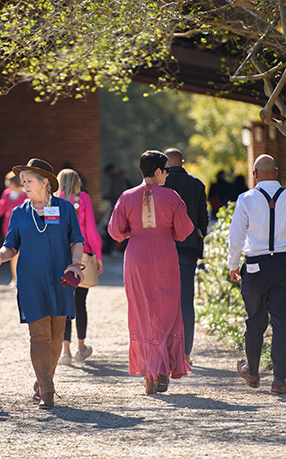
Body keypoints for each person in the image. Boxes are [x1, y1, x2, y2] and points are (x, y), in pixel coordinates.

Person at [0, 158, 84, 409]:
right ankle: (48, 391)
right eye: (23, 181)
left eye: (29, 181)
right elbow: (11, 245)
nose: (25, 185)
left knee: (56, 337)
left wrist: (75, 263)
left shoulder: (65, 209)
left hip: (61, 281)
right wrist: (0, 255)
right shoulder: (19, 212)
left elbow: (76, 240)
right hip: (31, 281)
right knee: (38, 336)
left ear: (45, 183)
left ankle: (41, 382)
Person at [108, 151, 194, 395]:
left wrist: (133, 232)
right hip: (164, 254)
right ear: (157, 171)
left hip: (136, 256)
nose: (167, 174)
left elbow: (115, 231)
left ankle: (148, 373)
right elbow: (183, 231)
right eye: (165, 170)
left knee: (141, 310)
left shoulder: (126, 196)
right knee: (168, 309)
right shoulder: (171, 196)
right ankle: (163, 368)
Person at [228, 154, 286, 395]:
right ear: (276, 172)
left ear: (255, 175)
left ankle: (253, 373)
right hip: (285, 265)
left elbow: (236, 237)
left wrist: (233, 264)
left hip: (255, 266)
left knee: (255, 320)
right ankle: (279, 380)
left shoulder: (246, 199)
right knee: (282, 322)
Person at [163, 148, 209, 366]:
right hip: (188, 248)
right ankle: (186, 352)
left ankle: (165, 351)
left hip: (163, 249)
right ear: (182, 162)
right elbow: (203, 218)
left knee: (164, 300)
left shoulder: (160, 184)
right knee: (185, 301)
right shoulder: (197, 185)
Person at [55, 169, 104, 366]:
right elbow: (91, 229)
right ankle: (80, 348)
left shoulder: (53, 200)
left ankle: (65, 352)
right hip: (83, 254)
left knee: (65, 303)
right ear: (77, 182)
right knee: (80, 303)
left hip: (60, 256)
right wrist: (98, 255)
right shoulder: (82, 198)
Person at [0, 171, 27, 287]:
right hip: (9, 226)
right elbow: (0, 210)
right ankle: (15, 278)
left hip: (24, 226)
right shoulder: (7, 193)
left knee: (25, 252)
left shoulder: (26, 194)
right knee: (13, 252)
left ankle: (24, 277)